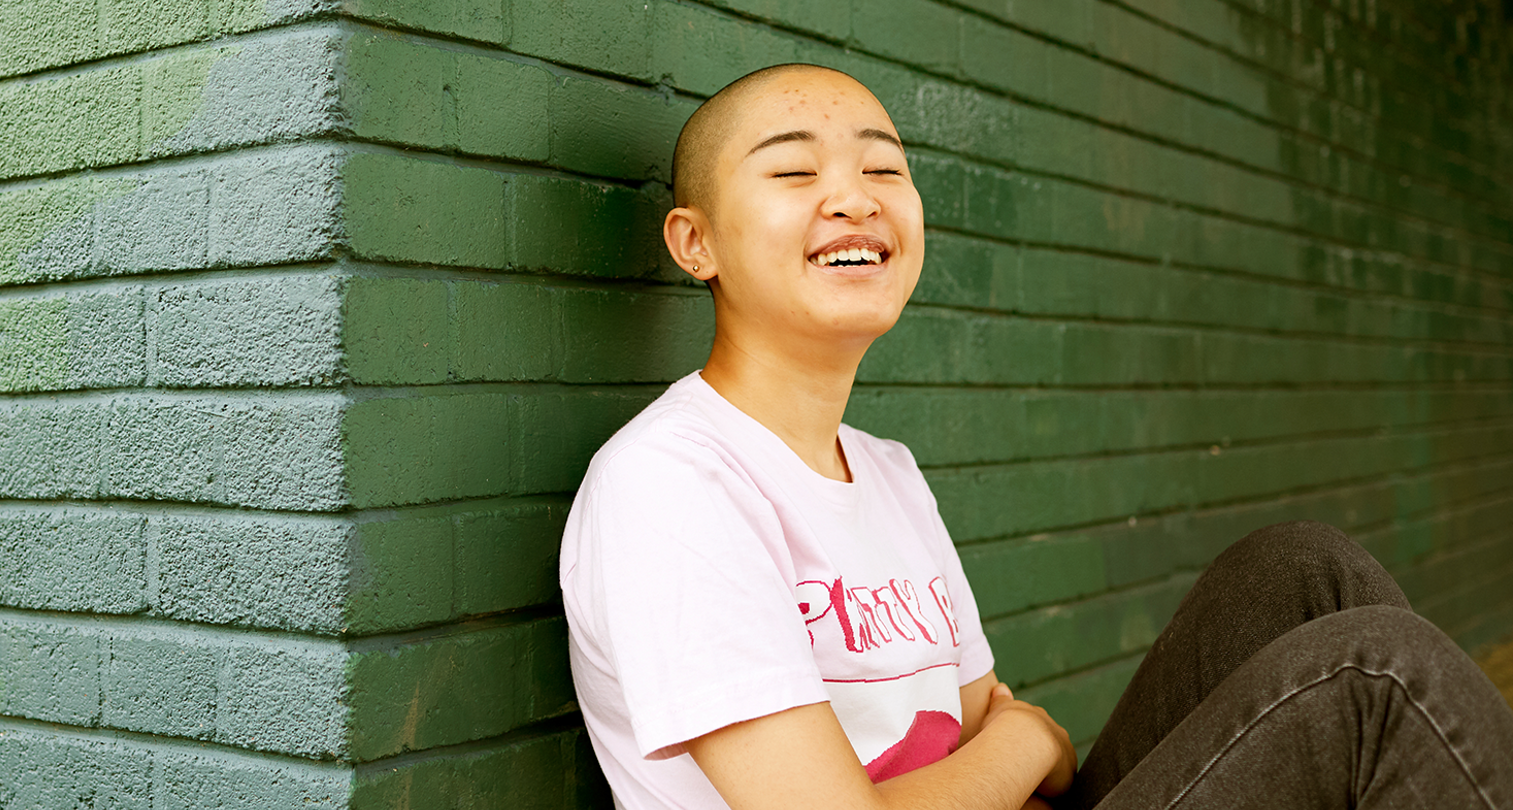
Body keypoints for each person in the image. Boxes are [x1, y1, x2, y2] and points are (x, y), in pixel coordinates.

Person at [556, 63, 1513, 810]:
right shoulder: (671, 484)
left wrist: (1016, 747)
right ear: (696, 244)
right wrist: (1030, 742)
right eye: (796, 170)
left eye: (883, 168)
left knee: (1300, 570)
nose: (855, 197)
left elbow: (987, 725)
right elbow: (1006, 738)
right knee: (1376, 678)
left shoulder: (886, 474)